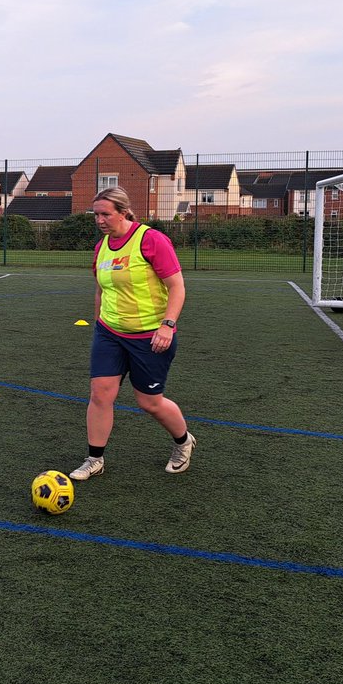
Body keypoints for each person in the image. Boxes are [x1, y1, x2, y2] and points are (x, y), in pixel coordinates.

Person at [70, 186, 196, 481]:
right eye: (96, 214)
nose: (99, 220)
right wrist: (99, 321)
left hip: (150, 335)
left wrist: (168, 325)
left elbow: (177, 287)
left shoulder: (150, 240)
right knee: (100, 394)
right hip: (110, 333)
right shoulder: (102, 245)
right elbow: (101, 288)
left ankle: (183, 441)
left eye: (105, 214)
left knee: (149, 402)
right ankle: (94, 459)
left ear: (123, 212)